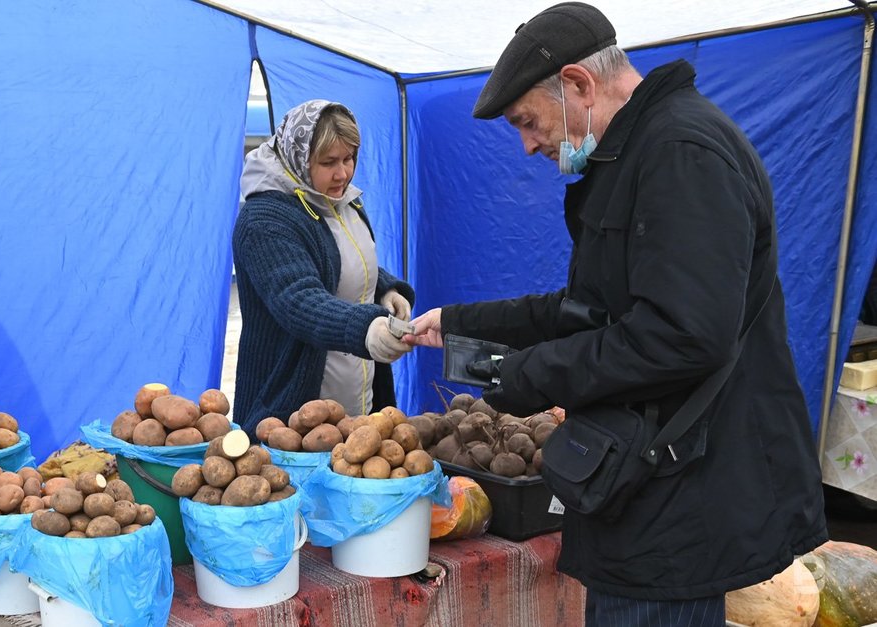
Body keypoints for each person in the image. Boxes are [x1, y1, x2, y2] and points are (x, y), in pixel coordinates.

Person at [405, 3, 827, 624]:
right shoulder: (638, 153)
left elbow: (682, 336)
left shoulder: (680, 153)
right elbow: (592, 310)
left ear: (578, 83)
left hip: (681, 490)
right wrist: (466, 321)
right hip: (646, 480)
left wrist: (527, 375)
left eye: (528, 121)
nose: (526, 146)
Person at [232, 99, 414, 436]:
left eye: (349, 158)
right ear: (298, 159)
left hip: (359, 402)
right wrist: (365, 328)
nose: (342, 172)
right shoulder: (264, 221)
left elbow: (342, 260)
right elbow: (297, 297)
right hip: (291, 416)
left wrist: (384, 287)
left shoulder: (343, 200)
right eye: (328, 162)